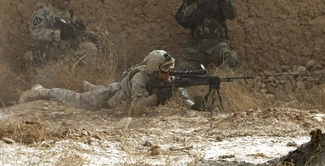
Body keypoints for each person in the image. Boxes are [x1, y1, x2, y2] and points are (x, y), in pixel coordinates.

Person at [19, 50, 200, 111]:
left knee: (99, 88)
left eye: (170, 69)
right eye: (165, 70)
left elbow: (179, 90)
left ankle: (87, 84)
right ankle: (42, 91)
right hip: (107, 100)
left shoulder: (166, 77)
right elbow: (136, 106)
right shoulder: (140, 77)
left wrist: (192, 105)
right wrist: (157, 98)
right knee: (77, 99)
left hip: (115, 90)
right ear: (154, 70)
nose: (169, 74)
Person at [174, 0, 239, 71]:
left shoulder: (220, 0)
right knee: (179, 73)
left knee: (229, 56)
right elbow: (183, 20)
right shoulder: (191, 2)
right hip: (195, 51)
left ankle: (227, 82)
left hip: (215, 46)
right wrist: (197, 4)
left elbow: (232, 15)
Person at [24, 0, 97, 67]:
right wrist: (59, 34)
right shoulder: (44, 13)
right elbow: (36, 33)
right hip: (47, 58)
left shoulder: (69, 14)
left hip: (66, 56)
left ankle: (86, 76)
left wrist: (79, 31)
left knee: (89, 47)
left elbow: (73, 36)